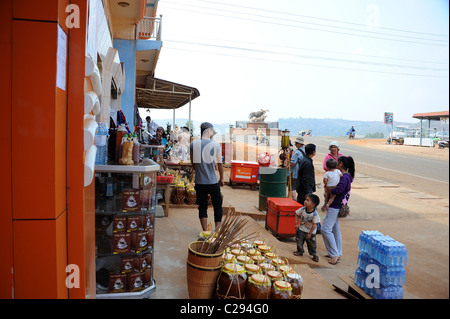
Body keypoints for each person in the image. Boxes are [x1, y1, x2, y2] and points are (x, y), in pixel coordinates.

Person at [190, 122, 224, 231]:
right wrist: (222, 178)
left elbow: (193, 164)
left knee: (202, 206)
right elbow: (220, 164)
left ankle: (205, 231)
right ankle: (217, 231)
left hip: (200, 182)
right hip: (213, 182)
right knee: (217, 205)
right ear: (208, 131)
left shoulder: (194, 144)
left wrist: (200, 169)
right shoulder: (215, 145)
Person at [322, 156, 355, 265]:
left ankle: (334, 254)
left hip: (336, 205)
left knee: (325, 228)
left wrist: (329, 190)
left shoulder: (344, 177)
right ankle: (336, 252)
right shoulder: (345, 176)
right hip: (338, 204)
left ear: (340, 164)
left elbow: (339, 189)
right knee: (335, 229)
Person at [293, 194, 321, 262]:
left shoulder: (315, 214)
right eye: (306, 200)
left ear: (313, 205)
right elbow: (297, 214)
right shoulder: (302, 209)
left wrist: (310, 233)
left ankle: (314, 254)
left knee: (312, 244)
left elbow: (314, 225)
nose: (305, 201)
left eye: (308, 200)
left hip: (310, 232)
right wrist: (296, 224)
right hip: (301, 229)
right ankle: (300, 251)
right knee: (299, 240)